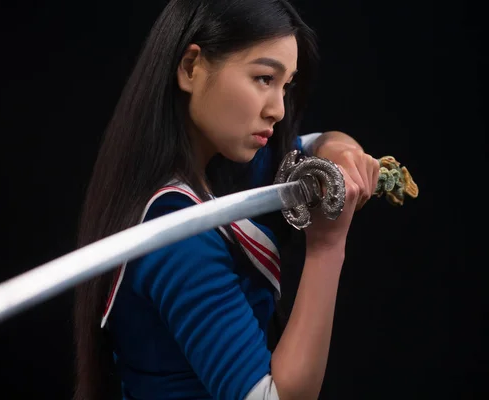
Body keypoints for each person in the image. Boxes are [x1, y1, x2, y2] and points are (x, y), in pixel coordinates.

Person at [73, 0, 380, 399]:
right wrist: (326, 246)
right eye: (264, 78)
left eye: (286, 86)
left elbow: (317, 142)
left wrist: (339, 150)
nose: (278, 110)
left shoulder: (231, 160)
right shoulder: (174, 234)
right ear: (190, 68)